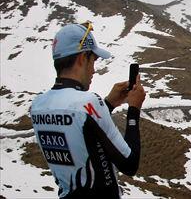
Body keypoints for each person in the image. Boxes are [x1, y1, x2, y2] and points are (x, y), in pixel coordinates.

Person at [30, 22, 146, 198]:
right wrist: (134, 109)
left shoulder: (38, 105)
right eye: (94, 60)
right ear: (82, 58)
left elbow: (81, 131)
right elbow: (130, 164)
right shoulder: (87, 103)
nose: (93, 69)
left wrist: (109, 103)